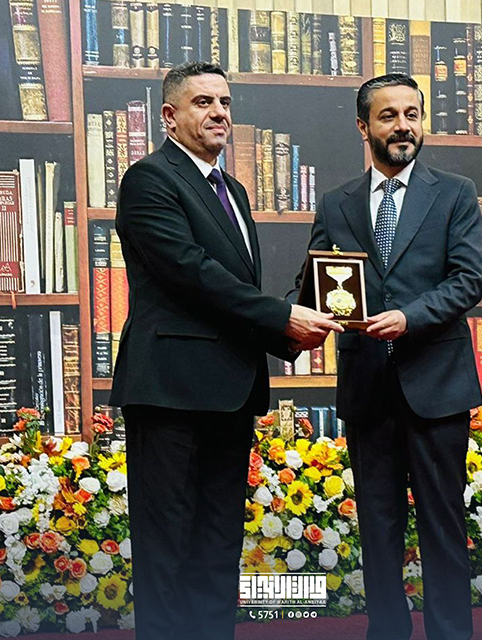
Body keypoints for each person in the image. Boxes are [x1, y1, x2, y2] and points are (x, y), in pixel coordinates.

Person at [110, 61, 342, 639]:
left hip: (230, 391)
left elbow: (232, 289)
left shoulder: (233, 190)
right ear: (169, 116)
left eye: (225, 102)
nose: (219, 113)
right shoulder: (148, 179)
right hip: (169, 392)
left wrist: (286, 331)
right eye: (203, 102)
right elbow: (192, 273)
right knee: (167, 549)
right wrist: (283, 318)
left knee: (217, 548)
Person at [289, 74, 482, 640]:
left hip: (437, 386)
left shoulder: (456, 193)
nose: (403, 126)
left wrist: (409, 317)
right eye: (388, 115)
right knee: (377, 527)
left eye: (412, 114)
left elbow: (468, 280)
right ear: (363, 126)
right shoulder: (337, 203)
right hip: (367, 388)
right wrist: (289, 320)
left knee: (443, 524)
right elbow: (313, 283)